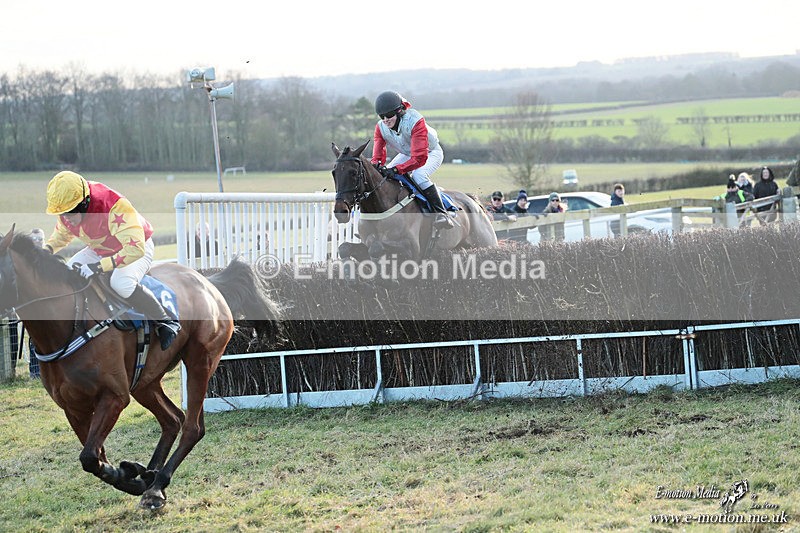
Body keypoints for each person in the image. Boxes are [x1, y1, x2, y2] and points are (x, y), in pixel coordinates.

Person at [44, 171, 180, 350]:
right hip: (101, 249)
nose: (66, 218)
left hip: (137, 248)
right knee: (70, 270)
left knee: (121, 282)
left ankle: (166, 321)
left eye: (69, 212)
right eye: (61, 213)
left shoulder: (114, 206)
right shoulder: (69, 210)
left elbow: (135, 248)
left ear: (84, 202)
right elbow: (62, 235)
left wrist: (99, 267)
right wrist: (45, 250)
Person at [370, 90, 453, 229]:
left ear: (399, 111)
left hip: (430, 152)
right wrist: (376, 166)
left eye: (389, 115)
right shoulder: (380, 127)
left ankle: (441, 214)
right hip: (408, 153)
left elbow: (419, 159)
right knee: (385, 176)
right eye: (382, 116)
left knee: (419, 175)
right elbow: (378, 154)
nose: (385, 120)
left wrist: (397, 169)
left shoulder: (415, 121)